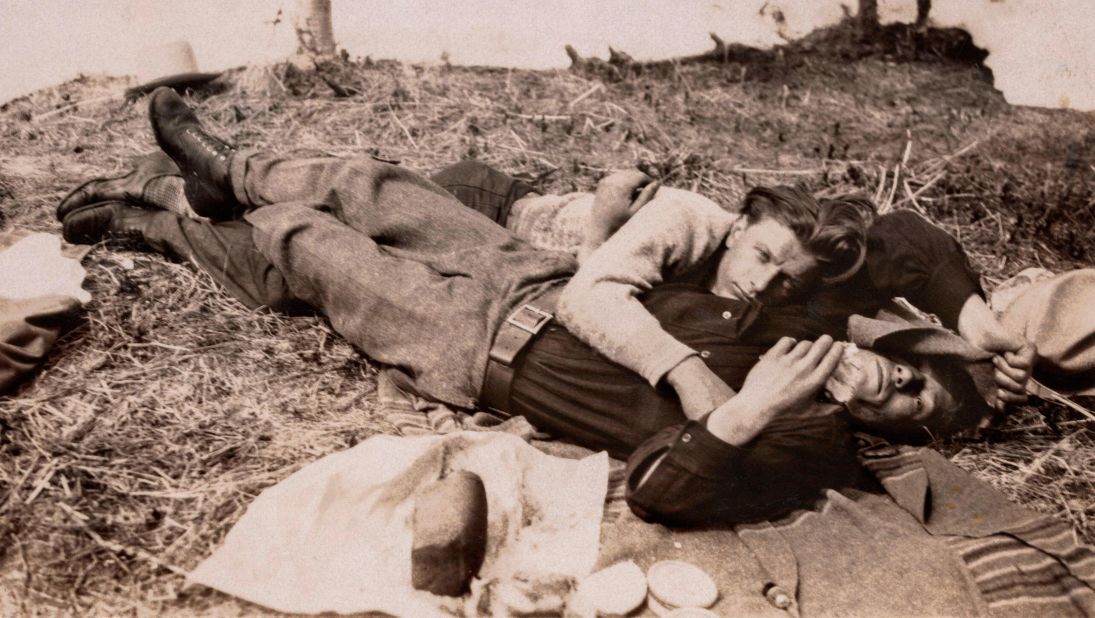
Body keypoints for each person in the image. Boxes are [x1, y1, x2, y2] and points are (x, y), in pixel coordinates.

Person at [57, 87, 1034, 525]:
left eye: (907, 405)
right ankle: (228, 170)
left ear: (887, 434)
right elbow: (909, 242)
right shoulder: (800, 315)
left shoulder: (798, 445)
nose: (889, 384)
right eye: (912, 372)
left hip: (477, 347)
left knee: (304, 246)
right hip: (521, 273)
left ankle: (153, 222)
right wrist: (981, 328)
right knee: (370, 180)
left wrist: (735, 420)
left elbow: (658, 494)